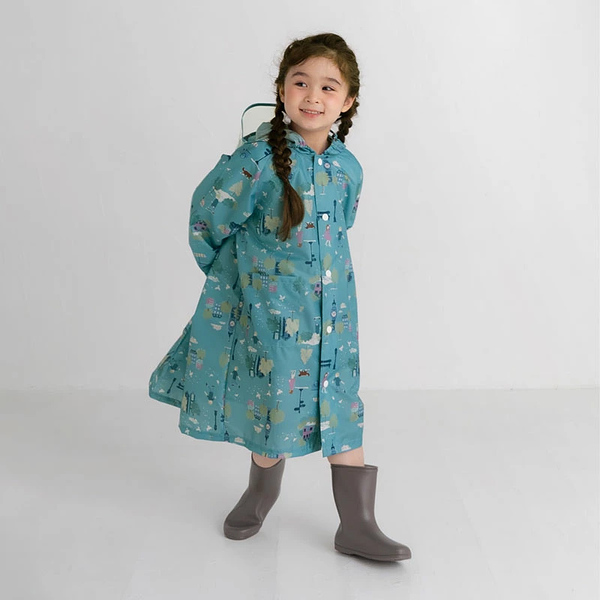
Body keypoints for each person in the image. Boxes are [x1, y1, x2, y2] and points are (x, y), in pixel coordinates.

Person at [148, 32, 412, 562]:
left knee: (341, 405)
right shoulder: (255, 160)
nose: (313, 96)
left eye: (328, 87)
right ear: (282, 90)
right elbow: (206, 217)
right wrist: (235, 279)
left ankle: (357, 525)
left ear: (348, 101)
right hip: (271, 316)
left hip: (334, 317)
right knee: (274, 404)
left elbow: (342, 225)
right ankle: (259, 494)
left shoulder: (348, 168)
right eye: (300, 83)